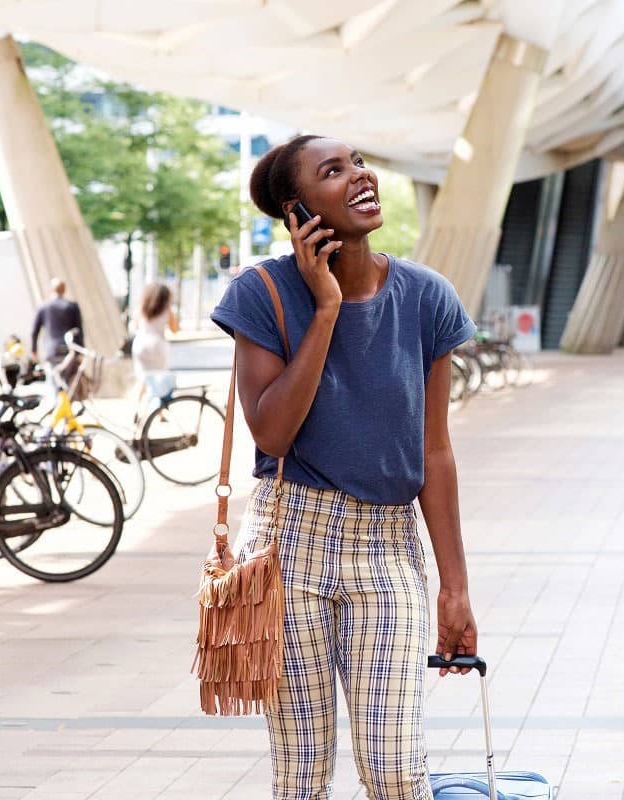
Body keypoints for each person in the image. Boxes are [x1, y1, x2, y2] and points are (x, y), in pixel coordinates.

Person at [210, 135, 478, 799]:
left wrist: (454, 586)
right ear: (297, 209)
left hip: (387, 551)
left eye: (358, 162)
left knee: (394, 772)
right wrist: (324, 306)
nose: (361, 176)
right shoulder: (263, 292)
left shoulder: (426, 298)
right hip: (287, 544)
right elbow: (271, 430)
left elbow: (434, 452)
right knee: (300, 775)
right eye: (335, 171)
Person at [131, 283, 180, 400]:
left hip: (140, 344)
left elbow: (135, 327)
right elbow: (174, 330)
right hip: (158, 346)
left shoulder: (141, 308)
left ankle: (136, 410)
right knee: (159, 380)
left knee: (142, 380)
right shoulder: (167, 311)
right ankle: (160, 412)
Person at [30, 278, 83, 364]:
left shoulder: (43, 307)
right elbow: (78, 331)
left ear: (51, 290)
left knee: (54, 375)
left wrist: (34, 350)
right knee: (73, 375)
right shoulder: (72, 306)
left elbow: (34, 332)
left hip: (51, 350)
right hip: (69, 349)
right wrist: (80, 352)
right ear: (64, 290)